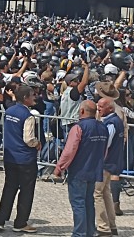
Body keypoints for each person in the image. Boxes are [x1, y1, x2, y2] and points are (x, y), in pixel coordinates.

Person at [54, 100, 108, 237]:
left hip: (79, 170)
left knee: (78, 203)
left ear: (82, 111)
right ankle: (90, 231)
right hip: (94, 170)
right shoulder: (103, 127)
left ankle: (79, 233)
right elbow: (105, 150)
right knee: (89, 202)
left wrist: (59, 167)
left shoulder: (78, 128)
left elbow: (69, 150)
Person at [0, 85, 41, 233]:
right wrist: (37, 143)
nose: (35, 98)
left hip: (10, 157)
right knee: (26, 191)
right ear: (26, 98)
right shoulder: (28, 116)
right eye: (33, 95)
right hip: (25, 158)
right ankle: (20, 222)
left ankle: (0, 220)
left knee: (9, 188)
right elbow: (29, 139)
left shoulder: (9, 111)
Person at [94, 97, 123, 237]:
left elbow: (105, 144)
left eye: (101, 106)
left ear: (110, 108)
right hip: (110, 162)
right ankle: (111, 225)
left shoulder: (111, 123)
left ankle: (103, 227)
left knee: (97, 194)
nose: (98, 108)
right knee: (106, 194)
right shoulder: (115, 120)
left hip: (105, 163)